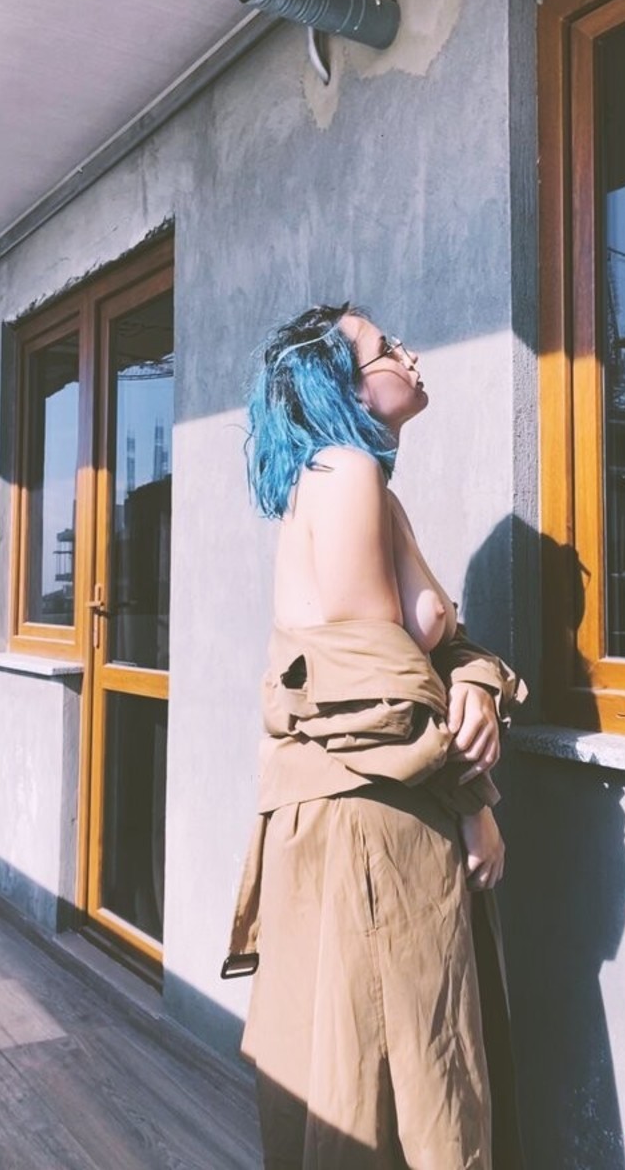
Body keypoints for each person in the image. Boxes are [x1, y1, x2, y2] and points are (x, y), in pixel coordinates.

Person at [225, 302, 526, 1169]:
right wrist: (474, 802)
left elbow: (420, 651)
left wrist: (474, 680)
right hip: (374, 825)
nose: (409, 351)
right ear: (342, 384)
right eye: (385, 346)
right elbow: (378, 685)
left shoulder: (358, 485)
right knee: (405, 1089)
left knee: (379, 1079)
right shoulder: (346, 470)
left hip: (368, 815)